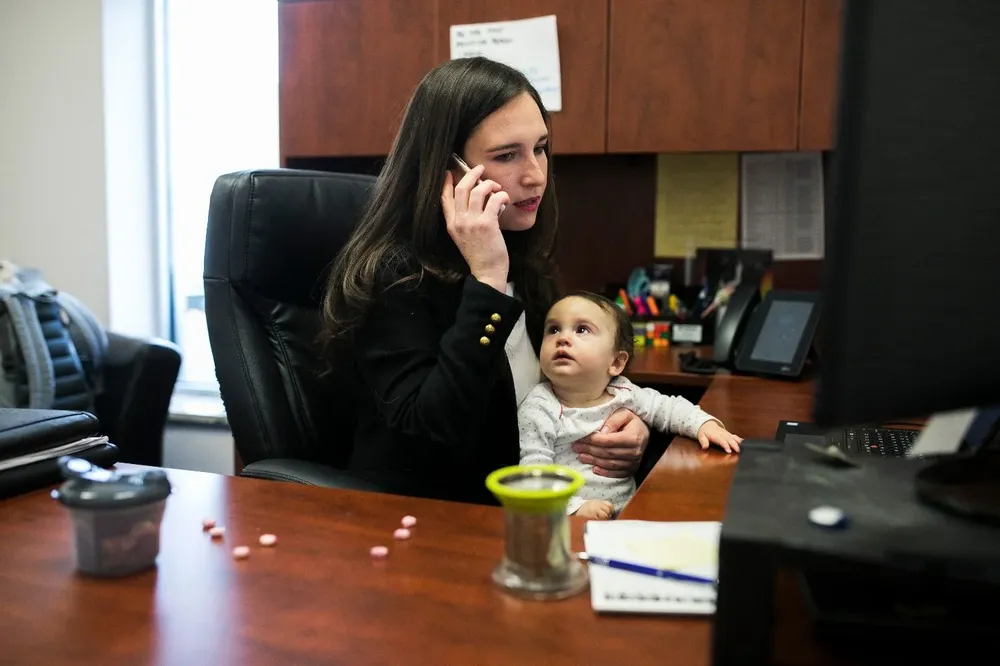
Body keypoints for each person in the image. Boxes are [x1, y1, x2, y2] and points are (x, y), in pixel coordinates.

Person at [321, 57, 651, 504]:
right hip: (429, 522)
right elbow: (432, 433)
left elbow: (552, 388)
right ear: (448, 169)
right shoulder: (394, 276)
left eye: (541, 147)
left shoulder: (524, 257)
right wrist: (487, 281)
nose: (535, 174)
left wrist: (616, 418)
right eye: (507, 155)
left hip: (526, 506)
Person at [518, 292, 743, 519]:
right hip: (568, 521)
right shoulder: (539, 407)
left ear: (616, 362)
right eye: (553, 329)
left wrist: (704, 424)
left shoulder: (622, 391)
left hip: (631, 512)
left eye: (582, 329)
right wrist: (574, 507)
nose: (562, 338)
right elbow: (534, 475)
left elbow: (667, 408)